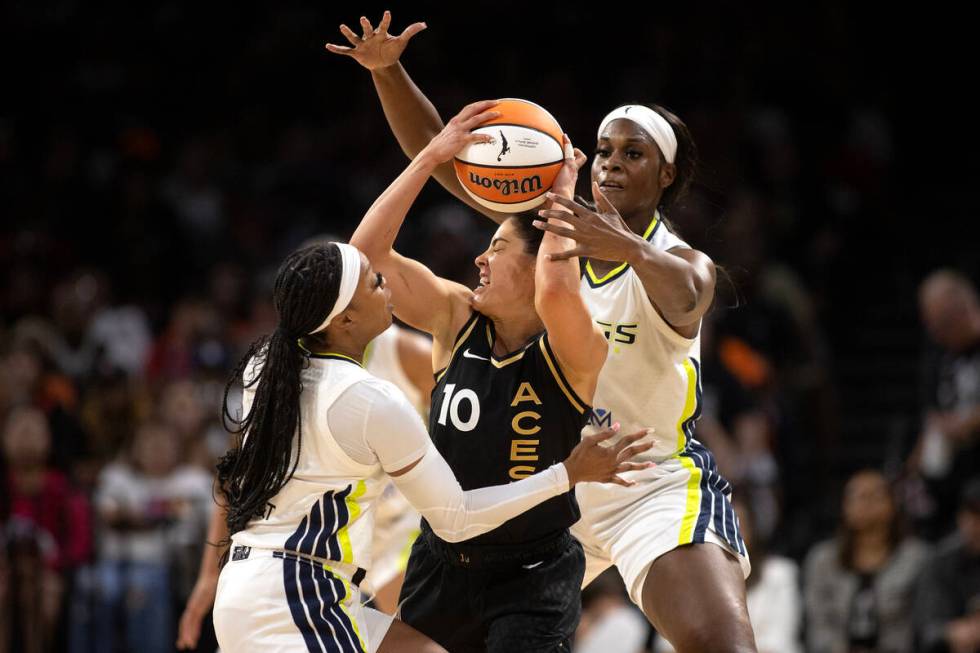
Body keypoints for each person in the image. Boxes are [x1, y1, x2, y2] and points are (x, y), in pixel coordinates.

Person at [328, 12, 756, 652]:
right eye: (604, 150)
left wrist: (626, 247)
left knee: (722, 645)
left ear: (665, 176)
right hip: (550, 483)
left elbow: (692, 298)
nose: (610, 163)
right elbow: (454, 165)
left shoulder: (676, 258)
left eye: (632, 154)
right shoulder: (552, 232)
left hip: (647, 481)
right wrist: (388, 72)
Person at [211, 239, 650, 653]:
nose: (384, 281)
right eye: (373, 282)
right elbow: (456, 519)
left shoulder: (265, 366)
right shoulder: (369, 398)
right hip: (294, 593)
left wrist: (431, 157)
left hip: (258, 582)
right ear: (343, 319)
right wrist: (566, 474)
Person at [347, 90, 629, 650]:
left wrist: (562, 192)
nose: (480, 258)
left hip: (533, 573)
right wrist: (430, 157)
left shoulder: (576, 349)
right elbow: (365, 257)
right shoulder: (455, 318)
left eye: (496, 247)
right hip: (440, 561)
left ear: (535, 261)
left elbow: (553, 286)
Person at [175, 323, 432, 649]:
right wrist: (209, 575)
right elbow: (237, 472)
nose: (386, 291)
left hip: (396, 540)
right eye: (373, 280)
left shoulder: (405, 354)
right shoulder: (284, 362)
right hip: (312, 552)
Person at [803, 469, 929, 653]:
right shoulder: (822, 560)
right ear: (844, 506)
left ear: (893, 504)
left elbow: (921, 622)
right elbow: (818, 623)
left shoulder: (917, 558)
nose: (867, 503)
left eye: (875, 495)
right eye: (859, 496)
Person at [914, 476, 980, 653]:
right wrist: (951, 632)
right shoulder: (942, 560)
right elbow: (926, 628)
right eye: (974, 514)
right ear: (961, 517)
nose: (978, 524)